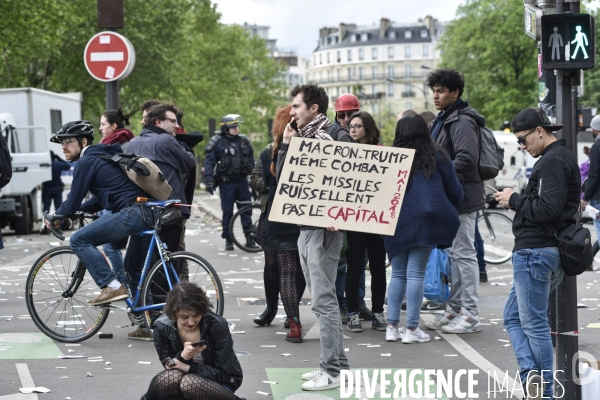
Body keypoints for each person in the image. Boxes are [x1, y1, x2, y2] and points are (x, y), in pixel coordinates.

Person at [494, 107, 579, 399]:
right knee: (512, 317)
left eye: (523, 138)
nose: (521, 144)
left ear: (539, 132)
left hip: (536, 251)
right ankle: (531, 373)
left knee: (534, 324)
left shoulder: (552, 162)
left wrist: (514, 199)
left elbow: (547, 209)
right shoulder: (557, 158)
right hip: (543, 251)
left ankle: (543, 389)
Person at [276, 84, 355, 391]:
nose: (291, 111)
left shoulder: (335, 136)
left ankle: (332, 370)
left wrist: (341, 213)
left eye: (296, 106)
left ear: (314, 109)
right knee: (321, 300)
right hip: (305, 229)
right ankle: (338, 366)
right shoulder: (301, 138)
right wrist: (286, 145)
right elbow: (285, 182)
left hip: (324, 232)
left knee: (324, 302)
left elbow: (355, 181)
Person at [48, 120, 155, 306]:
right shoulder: (101, 157)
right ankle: (148, 323)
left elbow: (73, 200)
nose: (63, 146)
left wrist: (57, 215)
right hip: (147, 212)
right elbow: (104, 197)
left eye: (69, 141)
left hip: (133, 213)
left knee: (78, 240)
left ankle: (112, 286)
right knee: (132, 270)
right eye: (61, 142)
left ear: (83, 142)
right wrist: (79, 210)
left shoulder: (86, 161)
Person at [384, 115, 463, 344]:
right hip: (426, 221)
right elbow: (456, 193)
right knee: (416, 273)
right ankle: (411, 329)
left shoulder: (391, 158)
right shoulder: (437, 155)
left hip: (395, 221)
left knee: (398, 274)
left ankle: (391, 326)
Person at [125, 103, 197, 341]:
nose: (176, 126)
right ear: (158, 122)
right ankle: (169, 318)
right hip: (170, 210)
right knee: (169, 265)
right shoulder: (168, 142)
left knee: (143, 265)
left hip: (142, 210)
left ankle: (147, 317)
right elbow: (189, 162)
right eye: (172, 121)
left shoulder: (132, 143)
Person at [424, 68, 486, 334]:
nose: (435, 96)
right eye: (433, 91)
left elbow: (466, 159)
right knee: (454, 255)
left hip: (462, 195)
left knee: (463, 254)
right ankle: (456, 309)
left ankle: (470, 314)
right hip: (453, 195)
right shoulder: (445, 119)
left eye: (441, 91)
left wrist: (438, 173)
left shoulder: (460, 121)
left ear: (455, 92)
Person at [144, 282, 244, 400]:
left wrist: (188, 367)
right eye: (184, 317)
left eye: (196, 316)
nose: (191, 322)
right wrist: (183, 357)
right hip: (182, 381)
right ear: (174, 314)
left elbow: (222, 374)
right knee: (171, 377)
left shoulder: (217, 325)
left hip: (220, 384)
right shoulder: (161, 327)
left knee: (189, 383)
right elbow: (168, 365)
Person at [262, 105, 306, 342]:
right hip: (304, 217)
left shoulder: (268, 153)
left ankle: (294, 324)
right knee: (301, 270)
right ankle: (295, 315)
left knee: (287, 272)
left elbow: (263, 183)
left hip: (279, 217)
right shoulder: (308, 149)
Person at [343, 111, 387, 333]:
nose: (352, 129)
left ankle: (378, 312)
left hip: (377, 219)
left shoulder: (382, 152)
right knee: (355, 267)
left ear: (368, 129)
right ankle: (352, 313)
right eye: (350, 126)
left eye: (357, 126)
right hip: (354, 220)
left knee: (378, 267)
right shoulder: (345, 153)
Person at [204, 115, 257, 251]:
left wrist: (256, 178)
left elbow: (252, 161)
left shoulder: (243, 141)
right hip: (226, 183)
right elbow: (209, 163)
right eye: (233, 126)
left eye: (236, 126)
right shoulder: (217, 142)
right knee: (227, 212)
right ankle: (228, 239)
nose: (236, 129)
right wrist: (209, 180)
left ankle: (249, 238)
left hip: (242, 182)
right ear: (225, 128)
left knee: (247, 211)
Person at [97, 108, 135, 285]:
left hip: (116, 201)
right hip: (113, 200)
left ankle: (123, 283)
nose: (100, 128)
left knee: (110, 246)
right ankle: (126, 283)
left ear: (114, 126)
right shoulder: (117, 142)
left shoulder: (119, 145)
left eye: (103, 124)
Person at [580, 115, 600, 255]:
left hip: (598, 197)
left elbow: (594, 175)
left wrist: (585, 198)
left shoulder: (597, 146)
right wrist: (591, 155)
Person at [40, 150, 71, 235]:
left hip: (47, 189)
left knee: (46, 209)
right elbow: (68, 165)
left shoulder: (45, 166)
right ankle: (59, 228)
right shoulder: (57, 164)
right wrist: (59, 158)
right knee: (59, 209)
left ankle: (46, 228)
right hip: (57, 189)